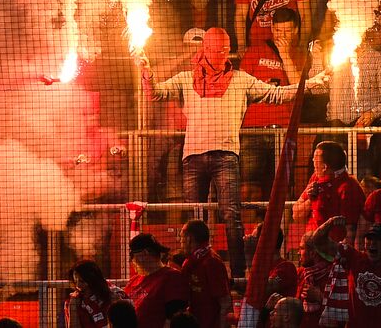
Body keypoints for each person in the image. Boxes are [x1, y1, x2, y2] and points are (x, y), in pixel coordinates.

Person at [146, 26, 326, 277]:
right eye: (215, 50)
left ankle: (239, 273)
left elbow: (275, 94)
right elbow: (155, 93)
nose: (220, 55)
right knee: (194, 218)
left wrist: (309, 83)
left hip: (226, 156)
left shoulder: (241, 79)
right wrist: (147, 74)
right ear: (204, 49)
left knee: (232, 215)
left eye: (225, 50)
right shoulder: (186, 79)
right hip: (194, 157)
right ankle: (192, 270)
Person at [293, 141, 366, 247]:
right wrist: (310, 200)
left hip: (330, 253)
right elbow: (296, 214)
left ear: (325, 167)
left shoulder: (349, 188)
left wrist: (341, 257)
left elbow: (351, 231)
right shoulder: (316, 178)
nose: (313, 161)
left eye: (316, 159)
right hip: (311, 249)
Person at [123, 233, 191, 324]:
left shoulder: (172, 278)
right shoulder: (133, 280)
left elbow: (174, 319)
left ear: (145, 253)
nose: (132, 260)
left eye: (132, 255)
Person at [178, 219, 230, 328]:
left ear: (189, 239)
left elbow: (225, 302)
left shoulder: (211, 262)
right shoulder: (192, 260)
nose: (180, 242)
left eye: (181, 238)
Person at [66, 259, 124, 328]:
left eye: (82, 281)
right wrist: (73, 308)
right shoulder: (74, 301)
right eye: (75, 281)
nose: (78, 286)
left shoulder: (112, 297)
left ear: (93, 280)